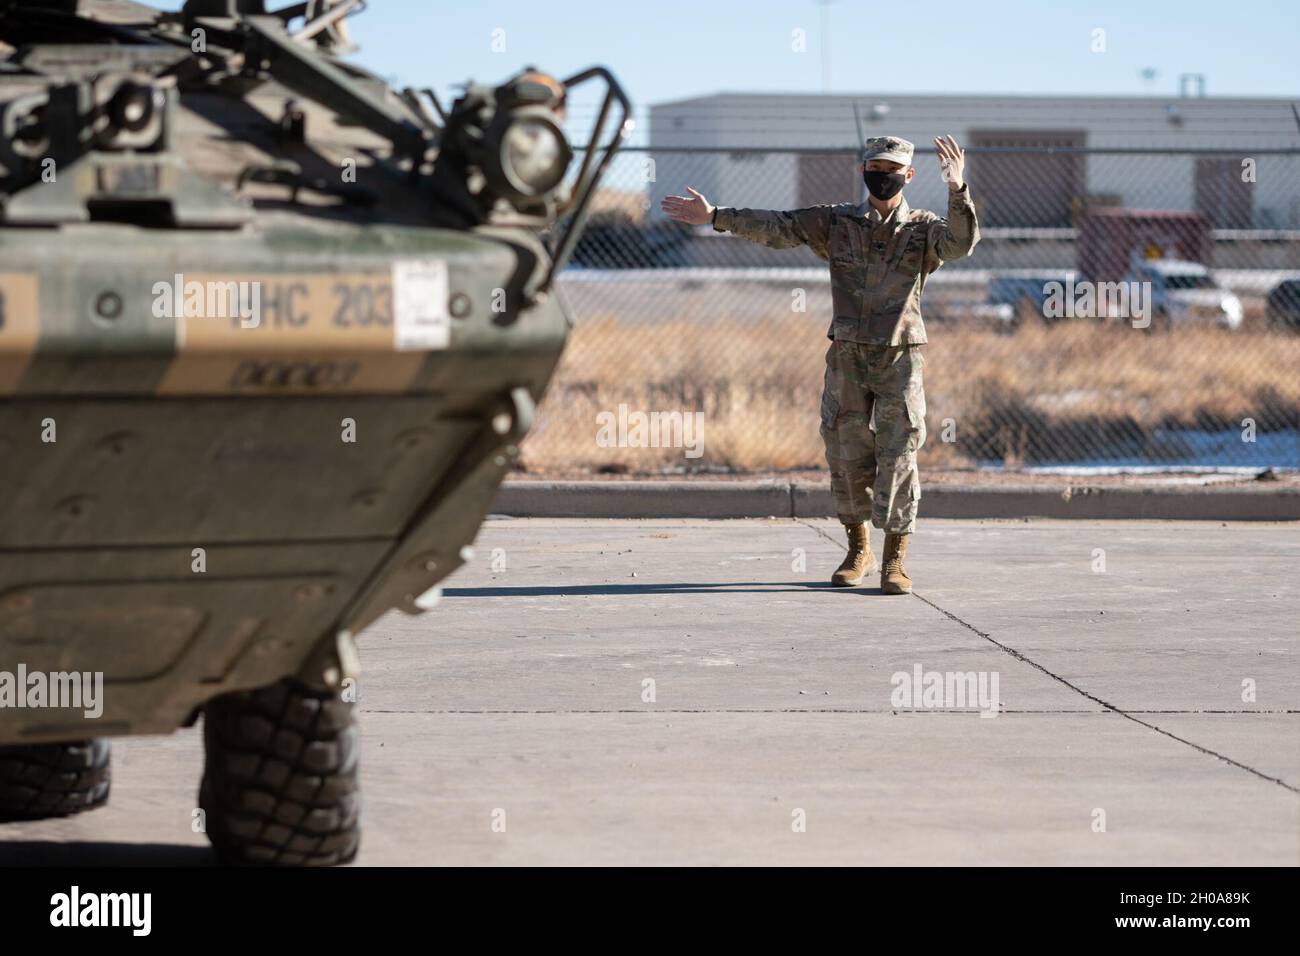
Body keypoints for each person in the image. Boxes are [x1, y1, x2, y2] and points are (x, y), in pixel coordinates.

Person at [660, 135, 979, 593]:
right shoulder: (837, 222)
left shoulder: (924, 229)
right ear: (864, 171)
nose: (882, 177)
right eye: (875, 168)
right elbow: (780, 226)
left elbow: (961, 244)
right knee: (846, 453)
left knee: (899, 455)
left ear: (909, 176)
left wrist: (957, 190)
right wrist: (715, 217)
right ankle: (858, 550)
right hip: (847, 355)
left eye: (892, 170)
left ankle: (894, 561)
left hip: (899, 356)